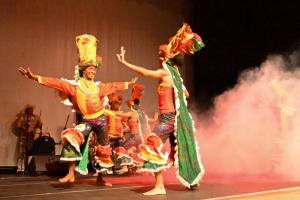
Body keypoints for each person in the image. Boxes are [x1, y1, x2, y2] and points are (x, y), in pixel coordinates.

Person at [18, 34, 137, 185]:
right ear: (84, 70)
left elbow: (113, 85)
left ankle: (100, 178)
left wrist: (127, 83)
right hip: (87, 120)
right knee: (72, 138)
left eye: (94, 69)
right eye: (90, 69)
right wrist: (35, 77)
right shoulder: (75, 88)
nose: (93, 71)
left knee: (103, 149)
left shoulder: (98, 87)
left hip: (100, 120)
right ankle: (70, 174)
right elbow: (56, 83)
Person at [117, 23, 205, 195]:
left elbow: (145, 73)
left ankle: (159, 186)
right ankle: (192, 182)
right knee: (179, 149)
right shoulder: (176, 76)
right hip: (176, 118)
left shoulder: (165, 73)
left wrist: (125, 62)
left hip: (168, 119)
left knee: (152, 144)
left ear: (166, 58)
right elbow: (185, 94)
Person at [14, 105, 42, 173]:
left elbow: (39, 125)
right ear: (27, 110)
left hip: (30, 137)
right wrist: (21, 120)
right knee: (21, 153)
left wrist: (39, 122)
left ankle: (29, 168)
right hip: (23, 136)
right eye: (29, 109)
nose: (31, 111)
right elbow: (18, 126)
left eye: (32, 109)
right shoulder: (23, 117)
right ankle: (20, 169)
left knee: (29, 152)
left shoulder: (35, 118)